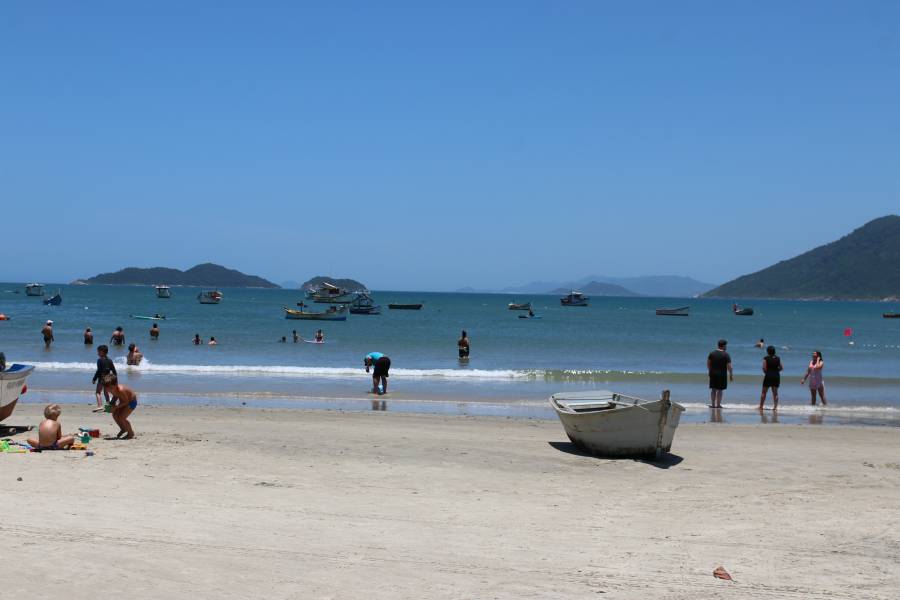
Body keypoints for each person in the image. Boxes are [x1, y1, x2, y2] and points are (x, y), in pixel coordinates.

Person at [102, 373, 137, 439]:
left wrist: (115, 407)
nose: (108, 390)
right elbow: (115, 396)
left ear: (116, 384)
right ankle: (123, 429)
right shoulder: (112, 389)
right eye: (106, 388)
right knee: (115, 415)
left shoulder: (121, 390)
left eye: (110, 388)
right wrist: (111, 403)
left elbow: (126, 401)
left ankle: (130, 433)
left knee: (122, 417)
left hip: (131, 402)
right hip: (124, 402)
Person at [707, 339, 732, 409]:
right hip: (722, 374)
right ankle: (718, 405)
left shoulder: (712, 353)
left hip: (713, 373)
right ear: (723, 346)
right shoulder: (726, 355)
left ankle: (712, 405)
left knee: (713, 389)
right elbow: (730, 366)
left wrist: (709, 371)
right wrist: (731, 375)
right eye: (726, 346)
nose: (726, 347)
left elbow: (708, 363)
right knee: (720, 390)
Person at [92, 345, 117, 412]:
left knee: (98, 392)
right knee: (106, 392)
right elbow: (114, 371)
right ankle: (108, 407)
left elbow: (98, 371)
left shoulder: (99, 360)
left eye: (98, 352)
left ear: (102, 352)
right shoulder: (110, 360)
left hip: (102, 379)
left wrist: (94, 379)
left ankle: (100, 406)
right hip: (108, 379)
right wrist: (115, 380)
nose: (97, 353)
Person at [760, 345, 782, 410]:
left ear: (768, 351)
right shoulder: (778, 358)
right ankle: (775, 407)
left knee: (764, 392)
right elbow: (781, 367)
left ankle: (761, 406)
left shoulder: (766, 358)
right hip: (776, 376)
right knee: (775, 393)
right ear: (774, 351)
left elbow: (764, 368)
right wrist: (776, 371)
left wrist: (767, 373)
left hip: (768, 376)